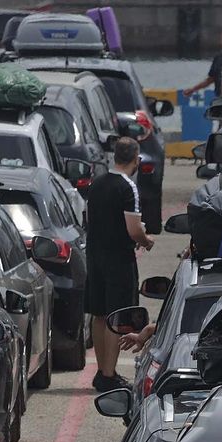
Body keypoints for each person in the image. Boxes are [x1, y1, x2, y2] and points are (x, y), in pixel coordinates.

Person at [83, 137, 153, 392]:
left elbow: (90, 218)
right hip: (118, 259)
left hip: (95, 255)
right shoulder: (127, 187)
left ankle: (102, 371)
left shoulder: (97, 183)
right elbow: (133, 229)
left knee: (99, 315)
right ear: (136, 159)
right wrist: (146, 241)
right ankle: (109, 374)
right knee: (116, 317)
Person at [183, 30, 222, 98]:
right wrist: (193, 89)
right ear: (221, 42)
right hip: (221, 97)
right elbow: (210, 79)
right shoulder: (218, 58)